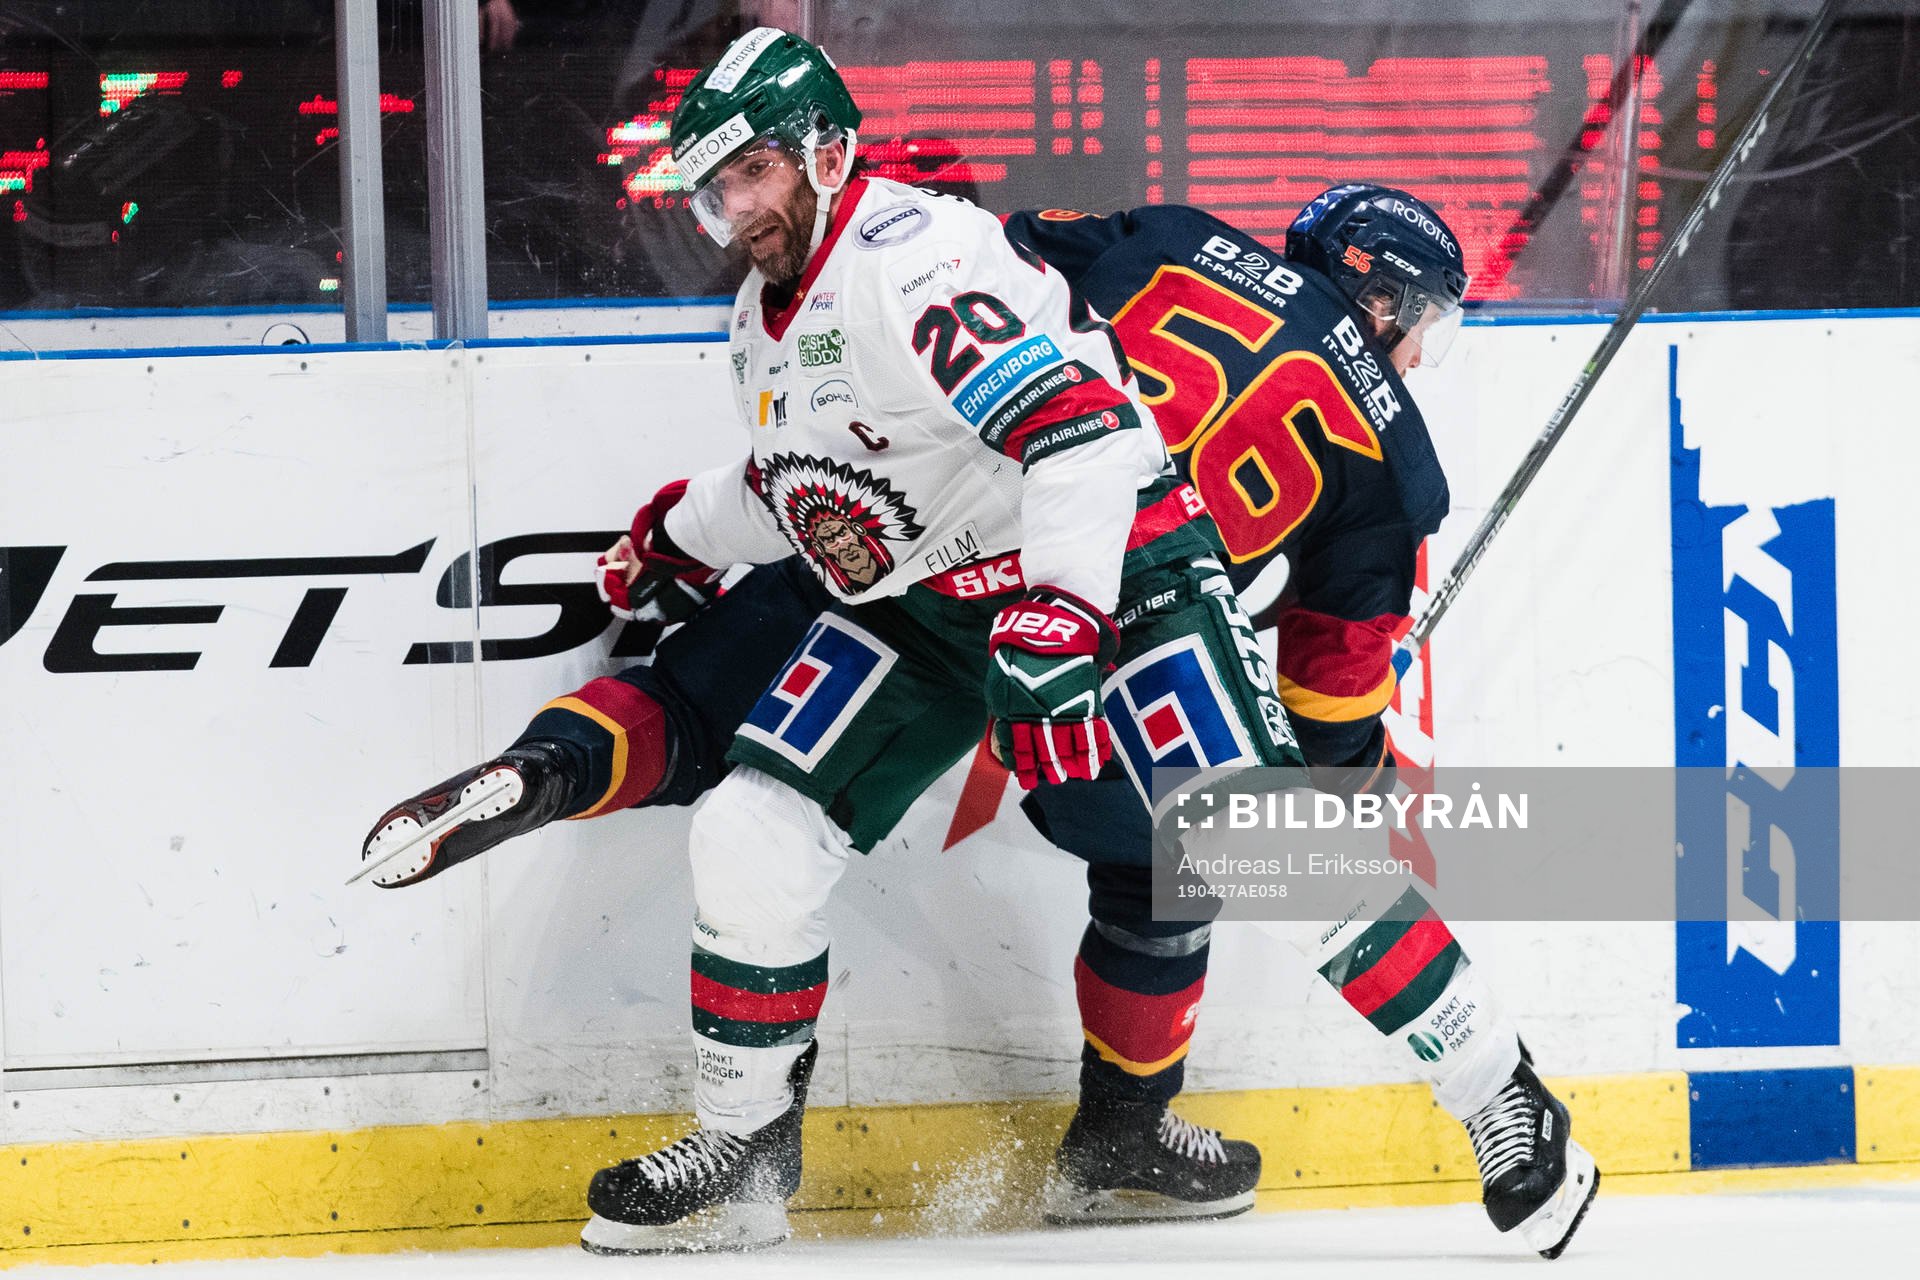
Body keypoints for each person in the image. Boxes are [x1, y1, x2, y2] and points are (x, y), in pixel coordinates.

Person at [360, 74, 1596, 1266]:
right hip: (941, 592)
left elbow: (1084, 423)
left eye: (753, 174)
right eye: (718, 187)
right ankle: (744, 1153)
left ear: (827, 152)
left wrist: (1062, 610)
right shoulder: (782, 305)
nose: (733, 209)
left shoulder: (968, 251)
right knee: (753, 827)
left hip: (1131, 570)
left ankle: (1506, 1094)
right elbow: (841, 467)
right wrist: (681, 532)